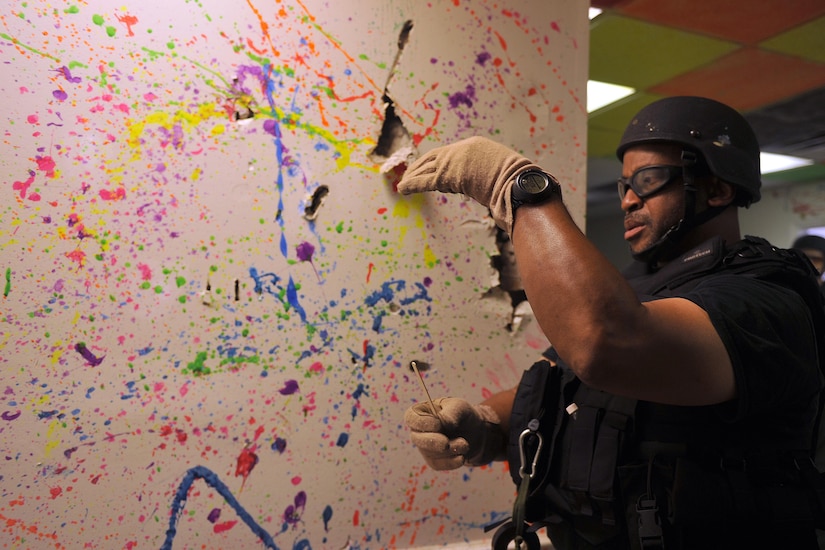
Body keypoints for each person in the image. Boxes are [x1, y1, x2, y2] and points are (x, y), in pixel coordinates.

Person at [398, 96, 825, 549]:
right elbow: (565, 380)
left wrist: (517, 187)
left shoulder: (767, 301)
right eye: (624, 185)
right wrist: (484, 426)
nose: (628, 199)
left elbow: (604, 346)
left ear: (717, 190)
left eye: (648, 179)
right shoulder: (639, 288)